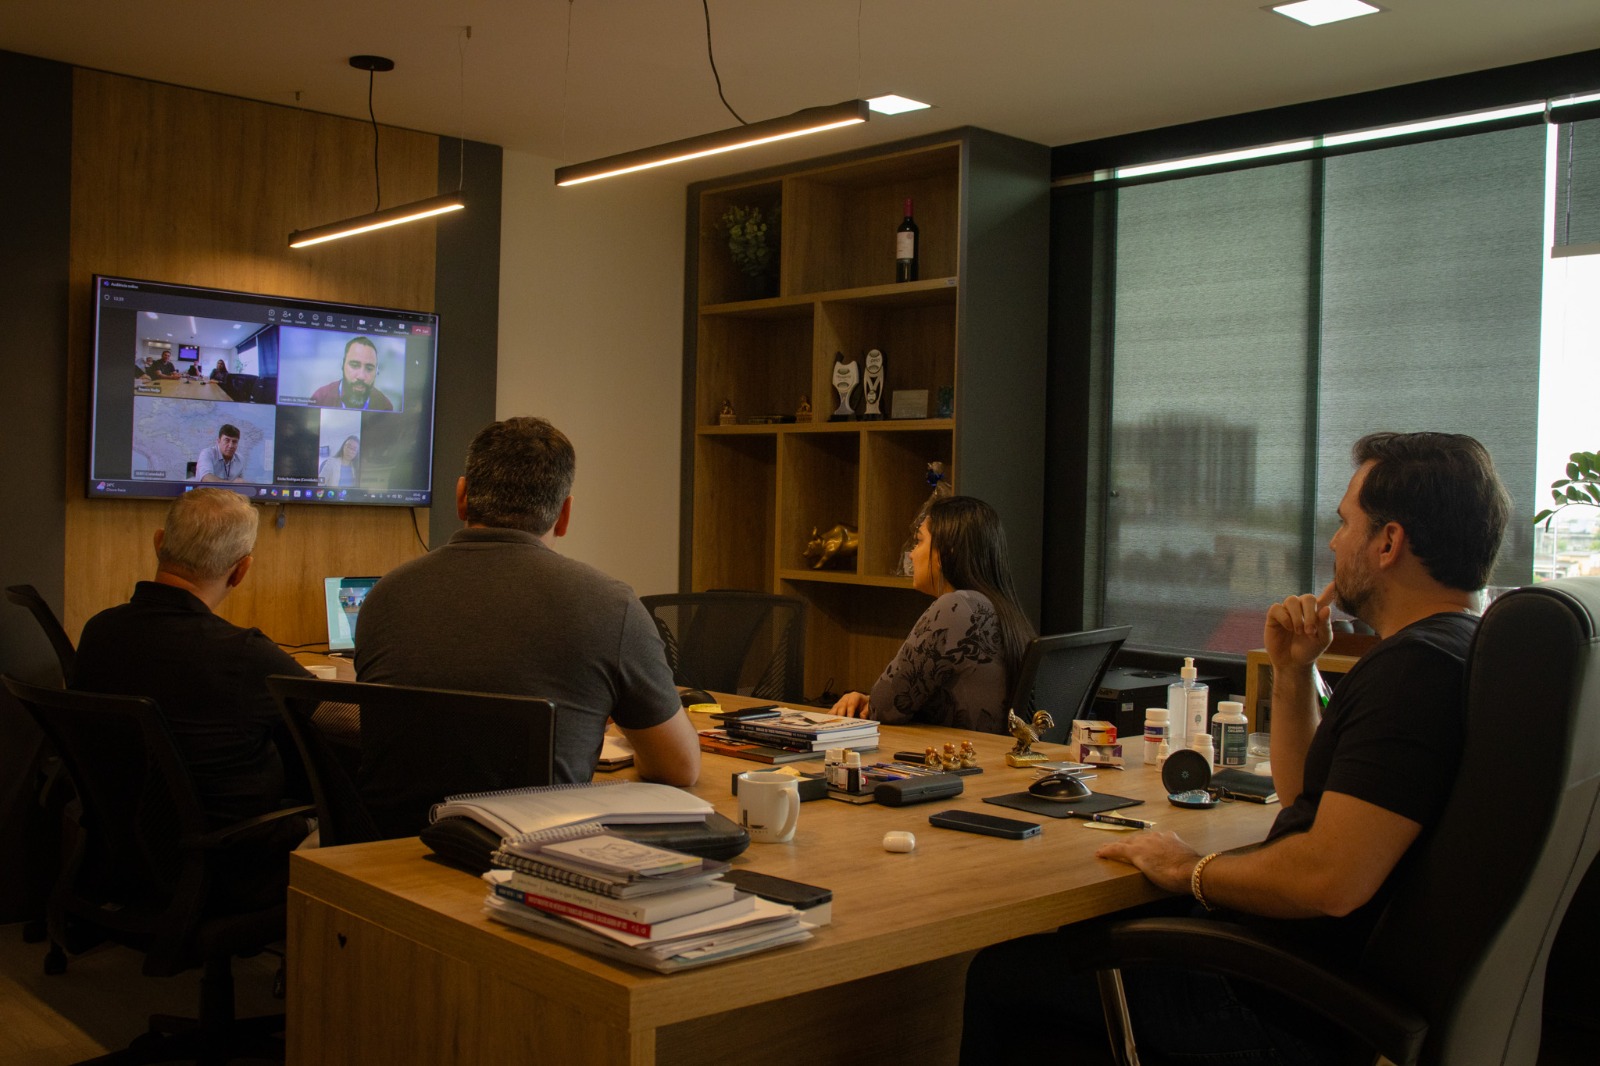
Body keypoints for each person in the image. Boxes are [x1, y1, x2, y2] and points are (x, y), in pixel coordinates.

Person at [959, 431, 1513, 1065]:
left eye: (1345, 524)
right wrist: (1295, 671)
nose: (1334, 543)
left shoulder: (1412, 672)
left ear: (1388, 543)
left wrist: (1190, 870)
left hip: (1278, 1005)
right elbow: (1308, 802)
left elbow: (1330, 879)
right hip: (1315, 986)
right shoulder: (1465, 653)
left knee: (1003, 974)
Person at [355, 415, 699, 791]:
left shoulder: (384, 596)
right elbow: (678, 768)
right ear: (564, 515)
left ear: (462, 497)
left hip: (395, 828)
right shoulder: (611, 607)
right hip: (534, 829)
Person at [71, 488, 312, 899]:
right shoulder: (245, 655)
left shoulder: (98, 631)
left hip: (127, 861)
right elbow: (336, 716)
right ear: (241, 570)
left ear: (159, 543)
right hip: (233, 864)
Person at [833, 495, 1035, 734]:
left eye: (919, 542)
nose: (911, 554)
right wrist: (869, 701)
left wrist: (872, 703)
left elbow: (886, 706)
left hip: (961, 755)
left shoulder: (956, 607)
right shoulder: (1004, 610)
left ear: (946, 552)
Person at [310, 336, 393, 411]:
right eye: (354, 365)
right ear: (343, 364)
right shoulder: (321, 398)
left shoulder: (384, 406)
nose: (361, 376)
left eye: (369, 368)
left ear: (376, 371)